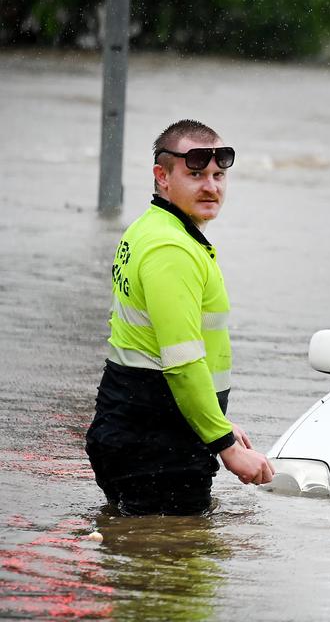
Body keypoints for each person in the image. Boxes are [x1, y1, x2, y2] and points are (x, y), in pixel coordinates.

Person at [85, 119, 273, 515]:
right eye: (195, 175)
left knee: (135, 554)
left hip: (136, 426)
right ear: (162, 177)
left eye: (219, 175)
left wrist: (217, 424)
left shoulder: (152, 228)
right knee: (181, 570)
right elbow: (182, 362)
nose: (211, 187)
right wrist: (227, 448)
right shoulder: (171, 249)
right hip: (157, 443)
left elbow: (152, 346)